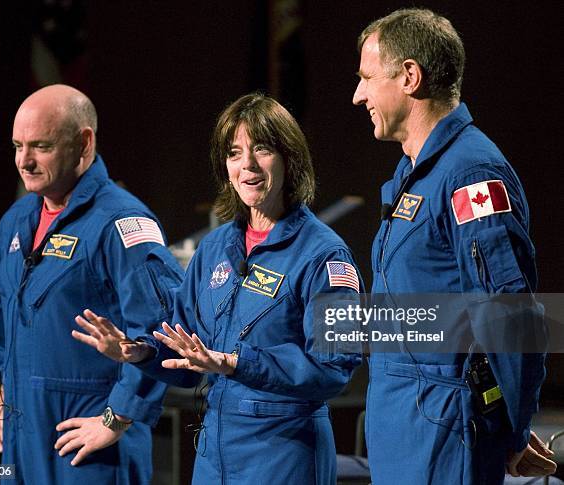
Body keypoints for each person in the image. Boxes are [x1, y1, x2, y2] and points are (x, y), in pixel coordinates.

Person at [73, 93, 363, 484]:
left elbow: (333, 369)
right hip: (215, 453)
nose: (247, 165)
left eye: (261, 149)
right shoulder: (214, 248)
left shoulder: (326, 255)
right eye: (234, 153)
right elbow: (186, 358)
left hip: (285, 453)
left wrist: (236, 363)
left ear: (290, 158)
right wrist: (139, 352)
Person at [352, 8, 556, 484]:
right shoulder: (414, 173)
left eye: (366, 78)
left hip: (444, 436)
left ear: (409, 76)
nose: (358, 94)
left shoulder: (470, 175)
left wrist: (514, 430)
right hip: (405, 428)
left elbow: (513, 319)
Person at [0, 84, 183, 484]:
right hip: (19, 444)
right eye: (17, 146)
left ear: (84, 142)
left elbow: (165, 330)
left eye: (41, 147)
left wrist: (116, 417)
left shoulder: (122, 223)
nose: (24, 161)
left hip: (88, 453)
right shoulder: (17, 220)